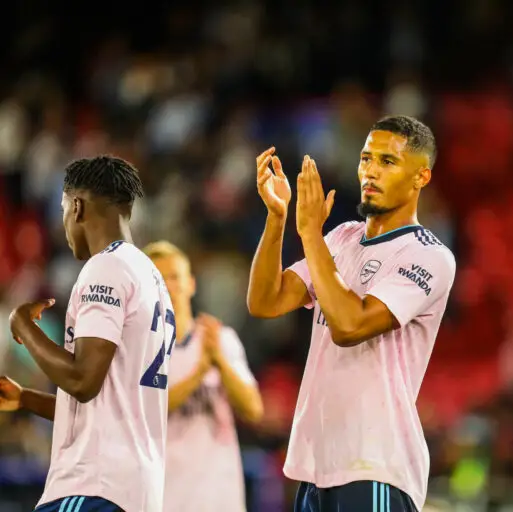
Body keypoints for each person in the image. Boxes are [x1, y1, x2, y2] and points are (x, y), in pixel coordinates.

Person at [246, 115, 456, 511]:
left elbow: (350, 325)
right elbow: (265, 301)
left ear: (421, 176)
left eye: (388, 161)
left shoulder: (428, 254)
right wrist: (278, 218)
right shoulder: (342, 238)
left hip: (375, 463)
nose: (371, 171)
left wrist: (310, 234)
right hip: (319, 464)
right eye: (366, 158)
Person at [0, 156, 174, 512]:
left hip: (94, 484)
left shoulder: (106, 267)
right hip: (133, 489)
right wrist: (26, 399)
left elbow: (83, 380)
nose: (63, 224)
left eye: (63, 210)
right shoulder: (150, 276)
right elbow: (109, 404)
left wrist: (22, 325)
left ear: (77, 207)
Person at [142, 240, 263, 512]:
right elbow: (149, 413)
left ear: (191, 283)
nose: (169, 286)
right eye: (160, 279)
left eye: (175, 277)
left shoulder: (220, 339)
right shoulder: (141, 349)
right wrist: (199, 372)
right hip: (166, 499)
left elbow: (253, 409)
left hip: (220, 499)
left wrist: (219, 362)